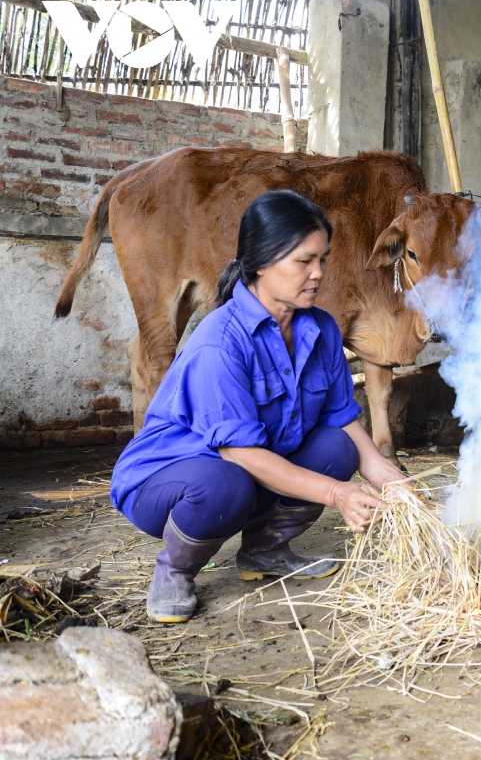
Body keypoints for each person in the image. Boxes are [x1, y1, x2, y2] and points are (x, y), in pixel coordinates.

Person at [110, 190, 409, 623]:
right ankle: (174, 572)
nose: (318, 273)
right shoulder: (221, 340)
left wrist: (395, 485)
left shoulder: (321, 328)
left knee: (336, 448)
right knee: (225, 482)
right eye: (303, 261)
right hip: (168, 479)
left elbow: (343, 420)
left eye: (322, 259)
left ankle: (264, 552)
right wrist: (336, 493)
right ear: (262, 261)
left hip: (244, 471)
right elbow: (241, 455)